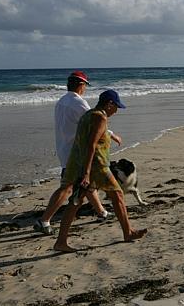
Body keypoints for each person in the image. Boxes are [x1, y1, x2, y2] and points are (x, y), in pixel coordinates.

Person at [54, 89, 147, 252]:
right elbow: (92, 145)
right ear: (109, 104)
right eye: (116, 106)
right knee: (117, 195)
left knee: (76, 202)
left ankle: (61, 241)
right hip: (96, 167)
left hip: (79, 164)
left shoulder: (87, 115)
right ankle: (128, 232)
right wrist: (87, 172)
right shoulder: (100, 117)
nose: (116, 111)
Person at [34, 71, 122, 235]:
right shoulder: (78, 103)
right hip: (75, 151)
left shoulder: (61, 101)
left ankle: (102, 212)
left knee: (86, 184)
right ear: (81, 85)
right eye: (85, 86)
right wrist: (111, 134)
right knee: (67, 187)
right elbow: (94, 121)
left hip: (63, 147)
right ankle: (44, 220)